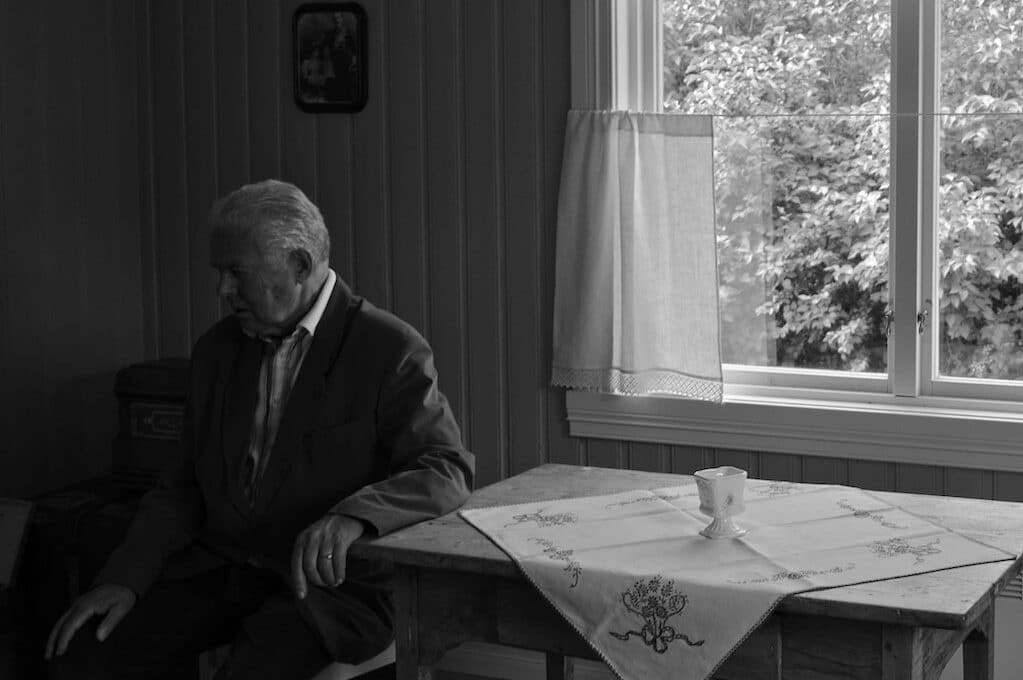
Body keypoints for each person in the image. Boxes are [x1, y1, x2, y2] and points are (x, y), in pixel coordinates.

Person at [45, 179, 475, 679]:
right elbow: (182, 487)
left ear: (298, 264)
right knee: (83, 650)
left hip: (329, 589)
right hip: (221, 567)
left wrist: (354, 516)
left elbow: (446, 467)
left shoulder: (388, 348)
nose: (223, 290)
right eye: (220, 273)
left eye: (235, 272)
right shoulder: (216, 351)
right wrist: (124, 579)